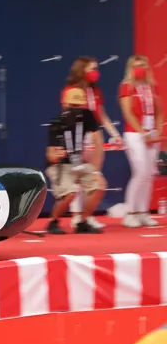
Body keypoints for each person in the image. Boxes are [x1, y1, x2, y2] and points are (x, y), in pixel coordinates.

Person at [62, 56, 122, 230]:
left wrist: (115, 134)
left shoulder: (95, 91)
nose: (96, 73)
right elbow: (67, 114)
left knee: (94, 176)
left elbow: (102, 115)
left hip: (94, 136)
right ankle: (76, 216)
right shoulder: (71, 90)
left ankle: (87, 216)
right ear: (82, 70)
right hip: (78, 136)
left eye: (96, 69)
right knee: (78, 177)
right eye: (92, 69)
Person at [44, 87, 107, 234]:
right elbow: (50, 155)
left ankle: (83, 221)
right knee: (70, 193)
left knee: (99, 185)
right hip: (59, 165)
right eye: (72, 106)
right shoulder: (57, 123)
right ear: (64, 105)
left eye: (79, 106)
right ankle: (53, 221)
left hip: (78, 162)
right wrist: (57, 155)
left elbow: (98, 141)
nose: (76, 110)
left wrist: (96, 170)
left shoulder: (87, 116)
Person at [119, 55, 163, 228]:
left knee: (149, 174)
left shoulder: (152, 86)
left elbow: (159, 112)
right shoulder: (127, 86)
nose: (140, 69)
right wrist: (142, 132)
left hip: (152, 133)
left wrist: (157, 131)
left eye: (143, 65)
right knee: (140, 172)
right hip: (134, 133)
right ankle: (130, 212)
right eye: (136, 66)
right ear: (131, 68)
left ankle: (143, 212)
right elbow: (128, 113)